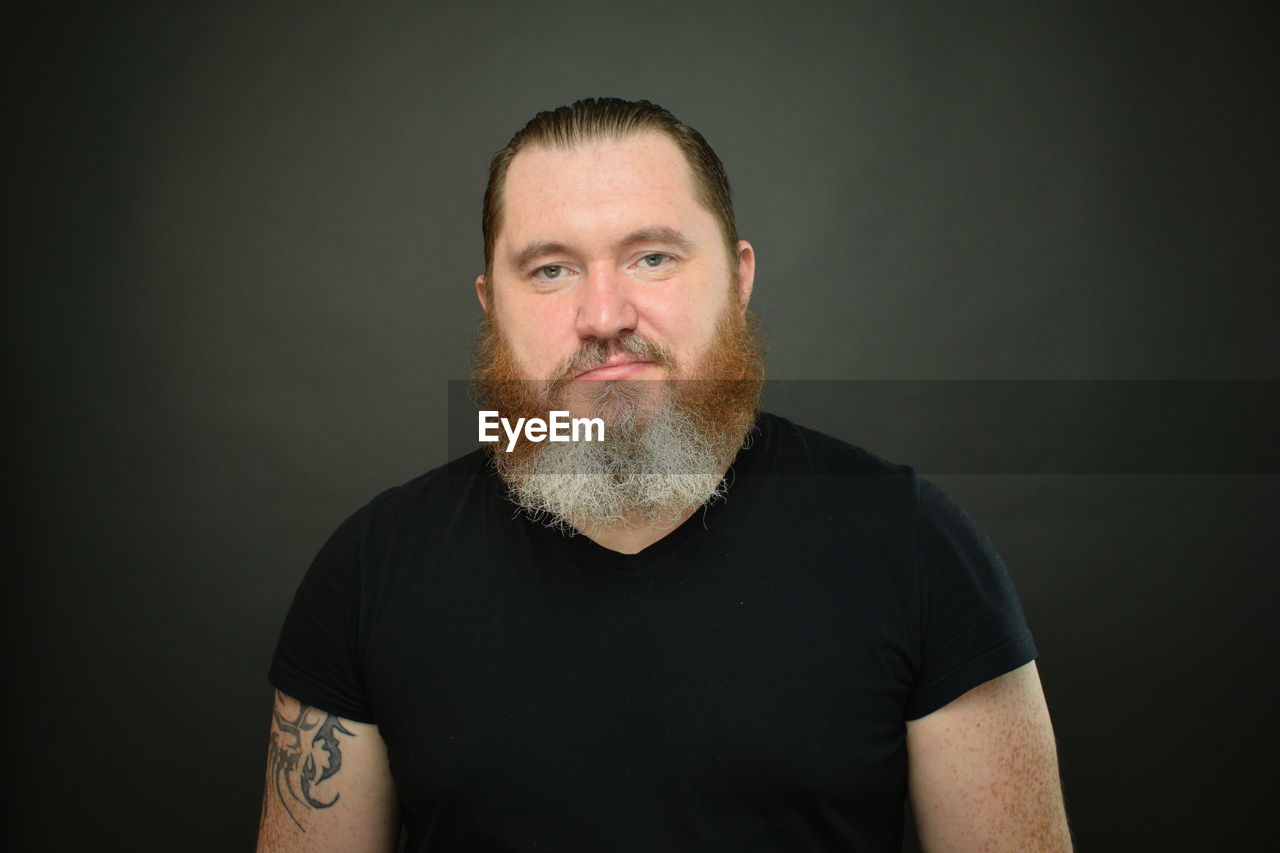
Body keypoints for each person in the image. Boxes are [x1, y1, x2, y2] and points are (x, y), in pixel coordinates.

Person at [257, 97, 1073, 852]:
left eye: (651, 257)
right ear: (489, 304)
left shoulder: (917, 545)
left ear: (739, 278)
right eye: (550, 269)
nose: (604, 315)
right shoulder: (370, 571)